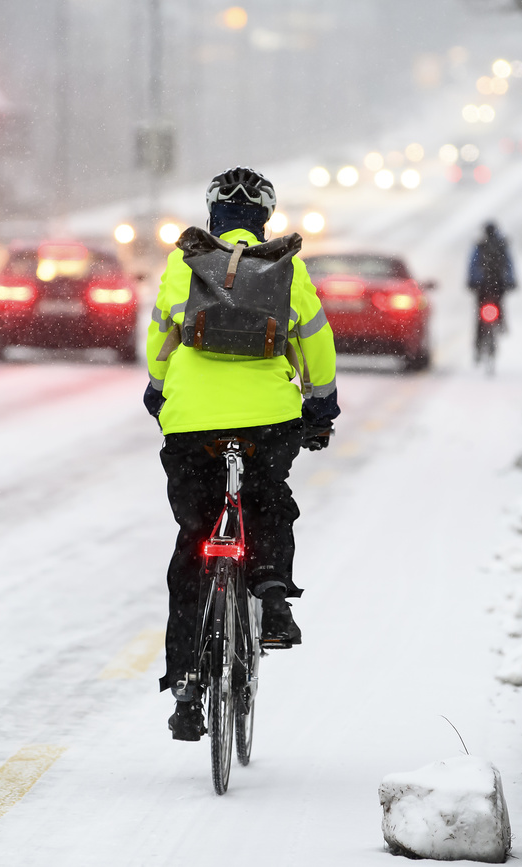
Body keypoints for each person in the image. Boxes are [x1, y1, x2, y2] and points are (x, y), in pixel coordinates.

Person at [144, 166, 338, 742]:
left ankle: (184, 682)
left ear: (213, 217)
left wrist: (161, 391)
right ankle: (273, 595)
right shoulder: (286, 266)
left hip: (193, 423)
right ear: (265, 218)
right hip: (268, 418)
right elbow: (315, 340)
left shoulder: (185, 263)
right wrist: (320, 408)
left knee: (193, 539)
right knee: (267, 499)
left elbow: (162, 336)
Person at [466, 222, 516, 357]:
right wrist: (511, 281)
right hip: (498, 284)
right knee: (499, 304)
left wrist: (472, 282)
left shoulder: (480, 245)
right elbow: (509, 264)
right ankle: (501, 324)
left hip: (481, 286)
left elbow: (472, 264)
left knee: (479, 316)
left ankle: (478, 345)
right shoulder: (502, 245)